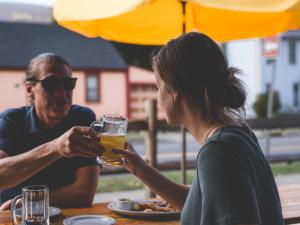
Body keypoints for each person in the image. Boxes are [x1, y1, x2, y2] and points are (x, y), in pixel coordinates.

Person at [113, 33, 284, 225]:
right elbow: (204, 204)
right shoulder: (236, 134)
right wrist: (138, 168)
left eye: (157, 86)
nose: (157, 96)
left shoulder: (219, 152)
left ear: (174, 92)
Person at [0, 53, 103, 209]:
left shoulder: (82, 118)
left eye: (68, 83)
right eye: (50, 84)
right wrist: (56, 148)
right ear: (30, 89)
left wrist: (29, 202)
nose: (61, 92)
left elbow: (84, 193)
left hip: (65, 218)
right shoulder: (11, 121)